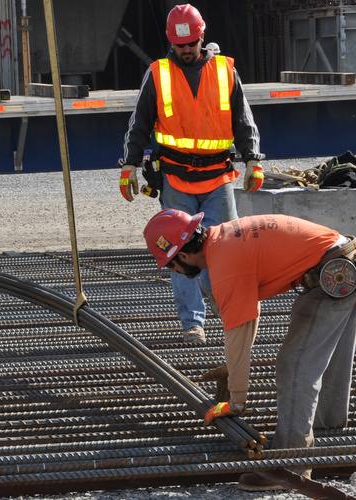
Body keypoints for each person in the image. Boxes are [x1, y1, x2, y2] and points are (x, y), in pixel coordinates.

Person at [143, 209, 356, 491]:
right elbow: (248, 317)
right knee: (324, 356)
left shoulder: (224, 266)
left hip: (333, 275)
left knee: (294, 365)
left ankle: (293, 463)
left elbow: (237, 331)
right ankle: (329, 432)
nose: (173, 271)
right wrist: (232, 368)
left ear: (183, 256)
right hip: (342, 264)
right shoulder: (223, 240)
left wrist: (236, 401)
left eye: (170, 265)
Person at [118, 4, 264, 344]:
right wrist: (129, 165)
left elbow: (244, 121)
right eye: (180, 45)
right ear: (172, 42)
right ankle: (192, 323)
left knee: (225, 249)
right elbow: (139, 123)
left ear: (202, 38)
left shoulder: (225, 71)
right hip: (175, 178)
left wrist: (253, 160)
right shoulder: (159, 73)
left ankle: (227, 308)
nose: (186, 50)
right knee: (179, 254)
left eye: (192, 44)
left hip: (218, 178)